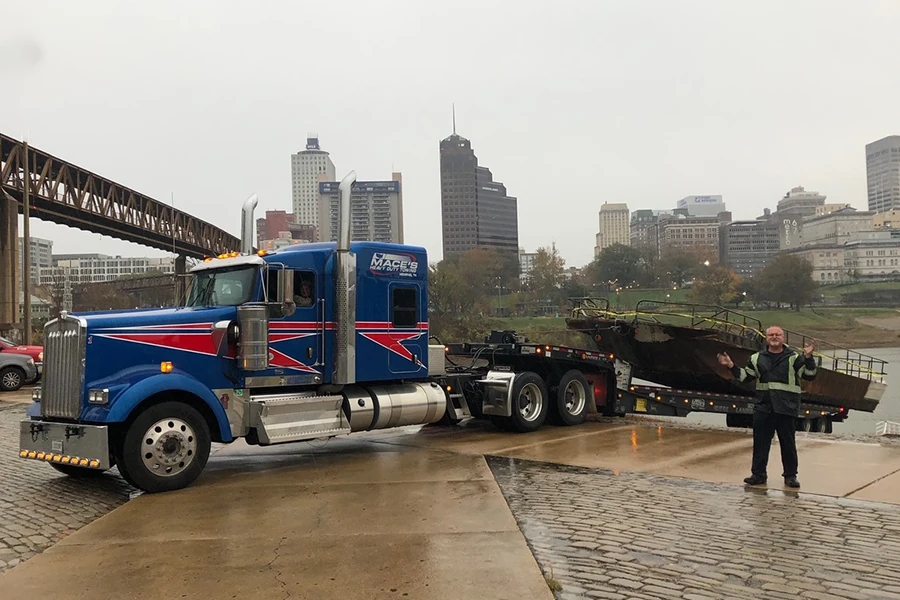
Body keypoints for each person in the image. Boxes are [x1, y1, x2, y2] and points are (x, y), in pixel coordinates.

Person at [717, 327, 817, 489]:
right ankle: (758, 475)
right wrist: (731, 366)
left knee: (788, 443)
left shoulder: (794, 358)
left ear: (783, 338)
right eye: (771, 335)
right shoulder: (756, 358)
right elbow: (745, 377)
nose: (774, 337)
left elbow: (810, 375)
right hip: (764, 406)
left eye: (778, 334)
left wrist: (809, 357)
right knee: (760, 443)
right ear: (766, 338)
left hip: (786, 407)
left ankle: (790, 476)